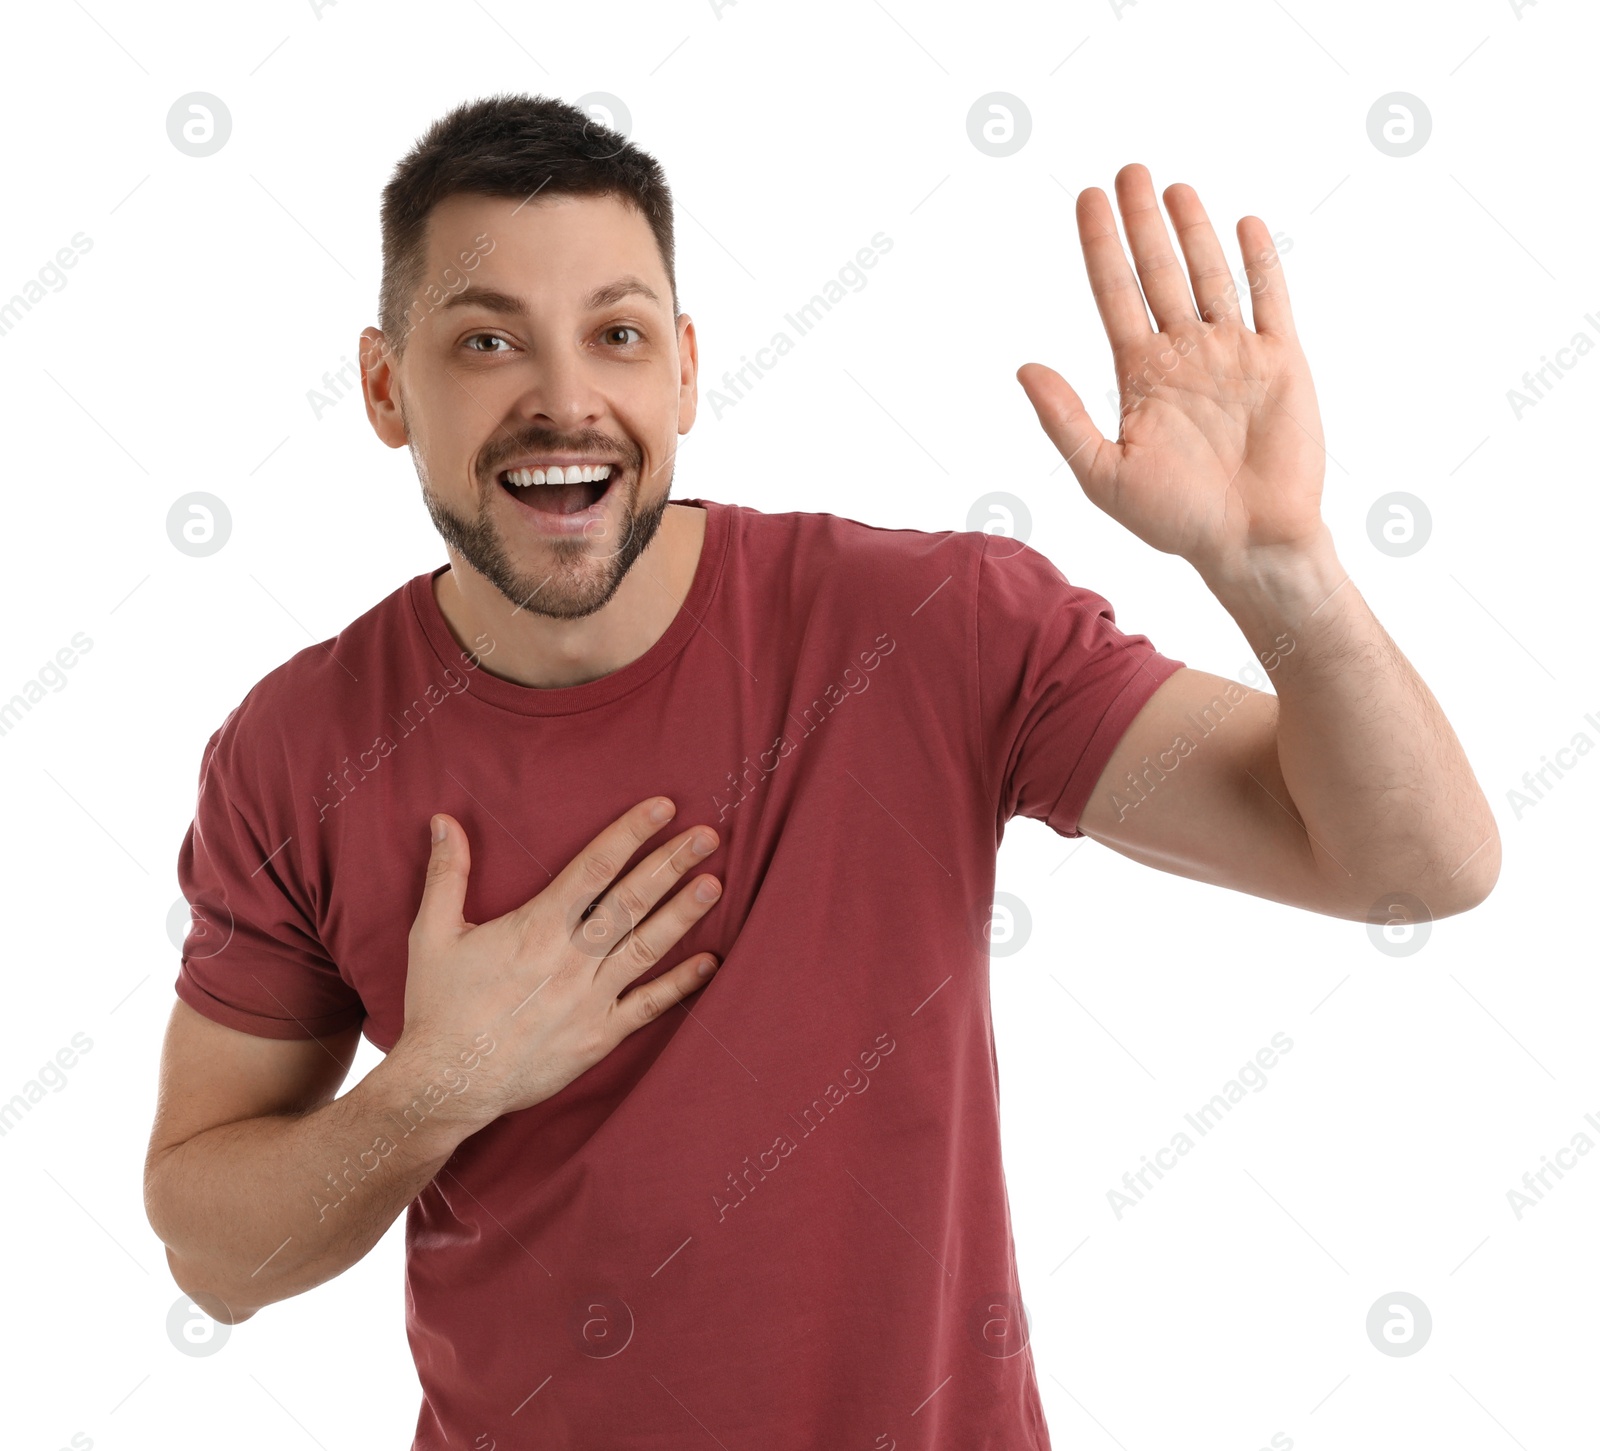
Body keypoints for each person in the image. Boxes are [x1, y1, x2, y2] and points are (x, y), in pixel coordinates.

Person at [142, 92, 1499, 1450]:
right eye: (487, 341)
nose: (565, 399)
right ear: (385, 386)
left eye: (615, 335)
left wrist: (1279, 570)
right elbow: (215, 1257)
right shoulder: (298, 748)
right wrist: (438, 1086)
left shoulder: (935, 628)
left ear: (681, 369)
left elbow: (1411, 866)